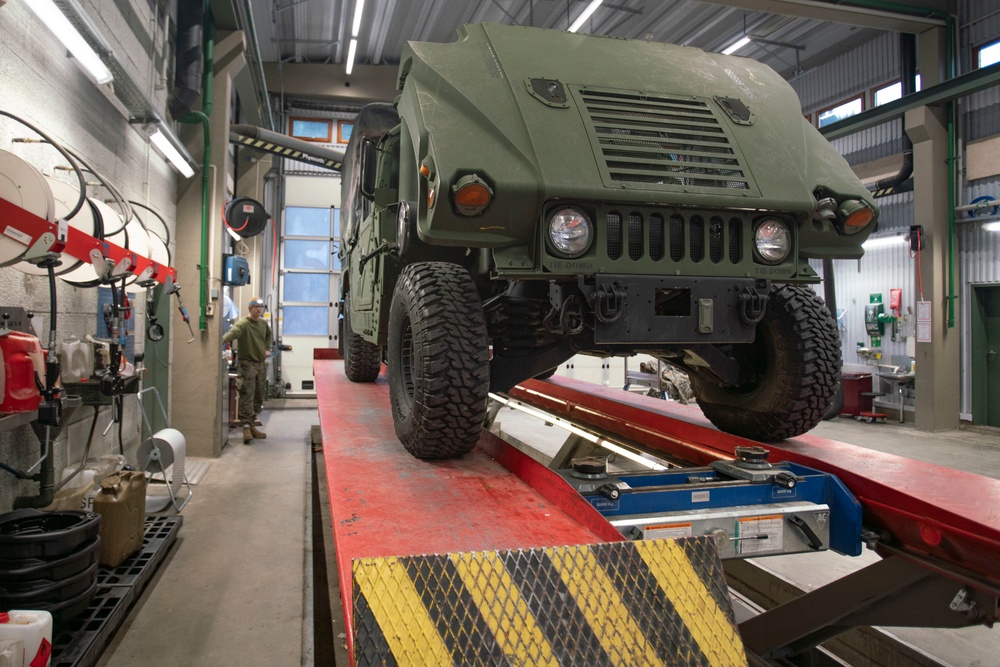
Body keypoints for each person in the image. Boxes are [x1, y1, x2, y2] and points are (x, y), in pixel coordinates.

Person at [223, 297, 273, 443]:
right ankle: (245, 427)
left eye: (261, 307)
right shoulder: (243, 324)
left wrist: (267, 349)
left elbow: (269, 335)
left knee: (258, 396)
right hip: (247, 365)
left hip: (260, 364)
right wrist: (219, 341)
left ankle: (252, 425)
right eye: (256, 306)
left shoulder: (263, 323)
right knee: (247, 395)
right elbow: (232, 334)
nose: (259, 309)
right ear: (250, 308)